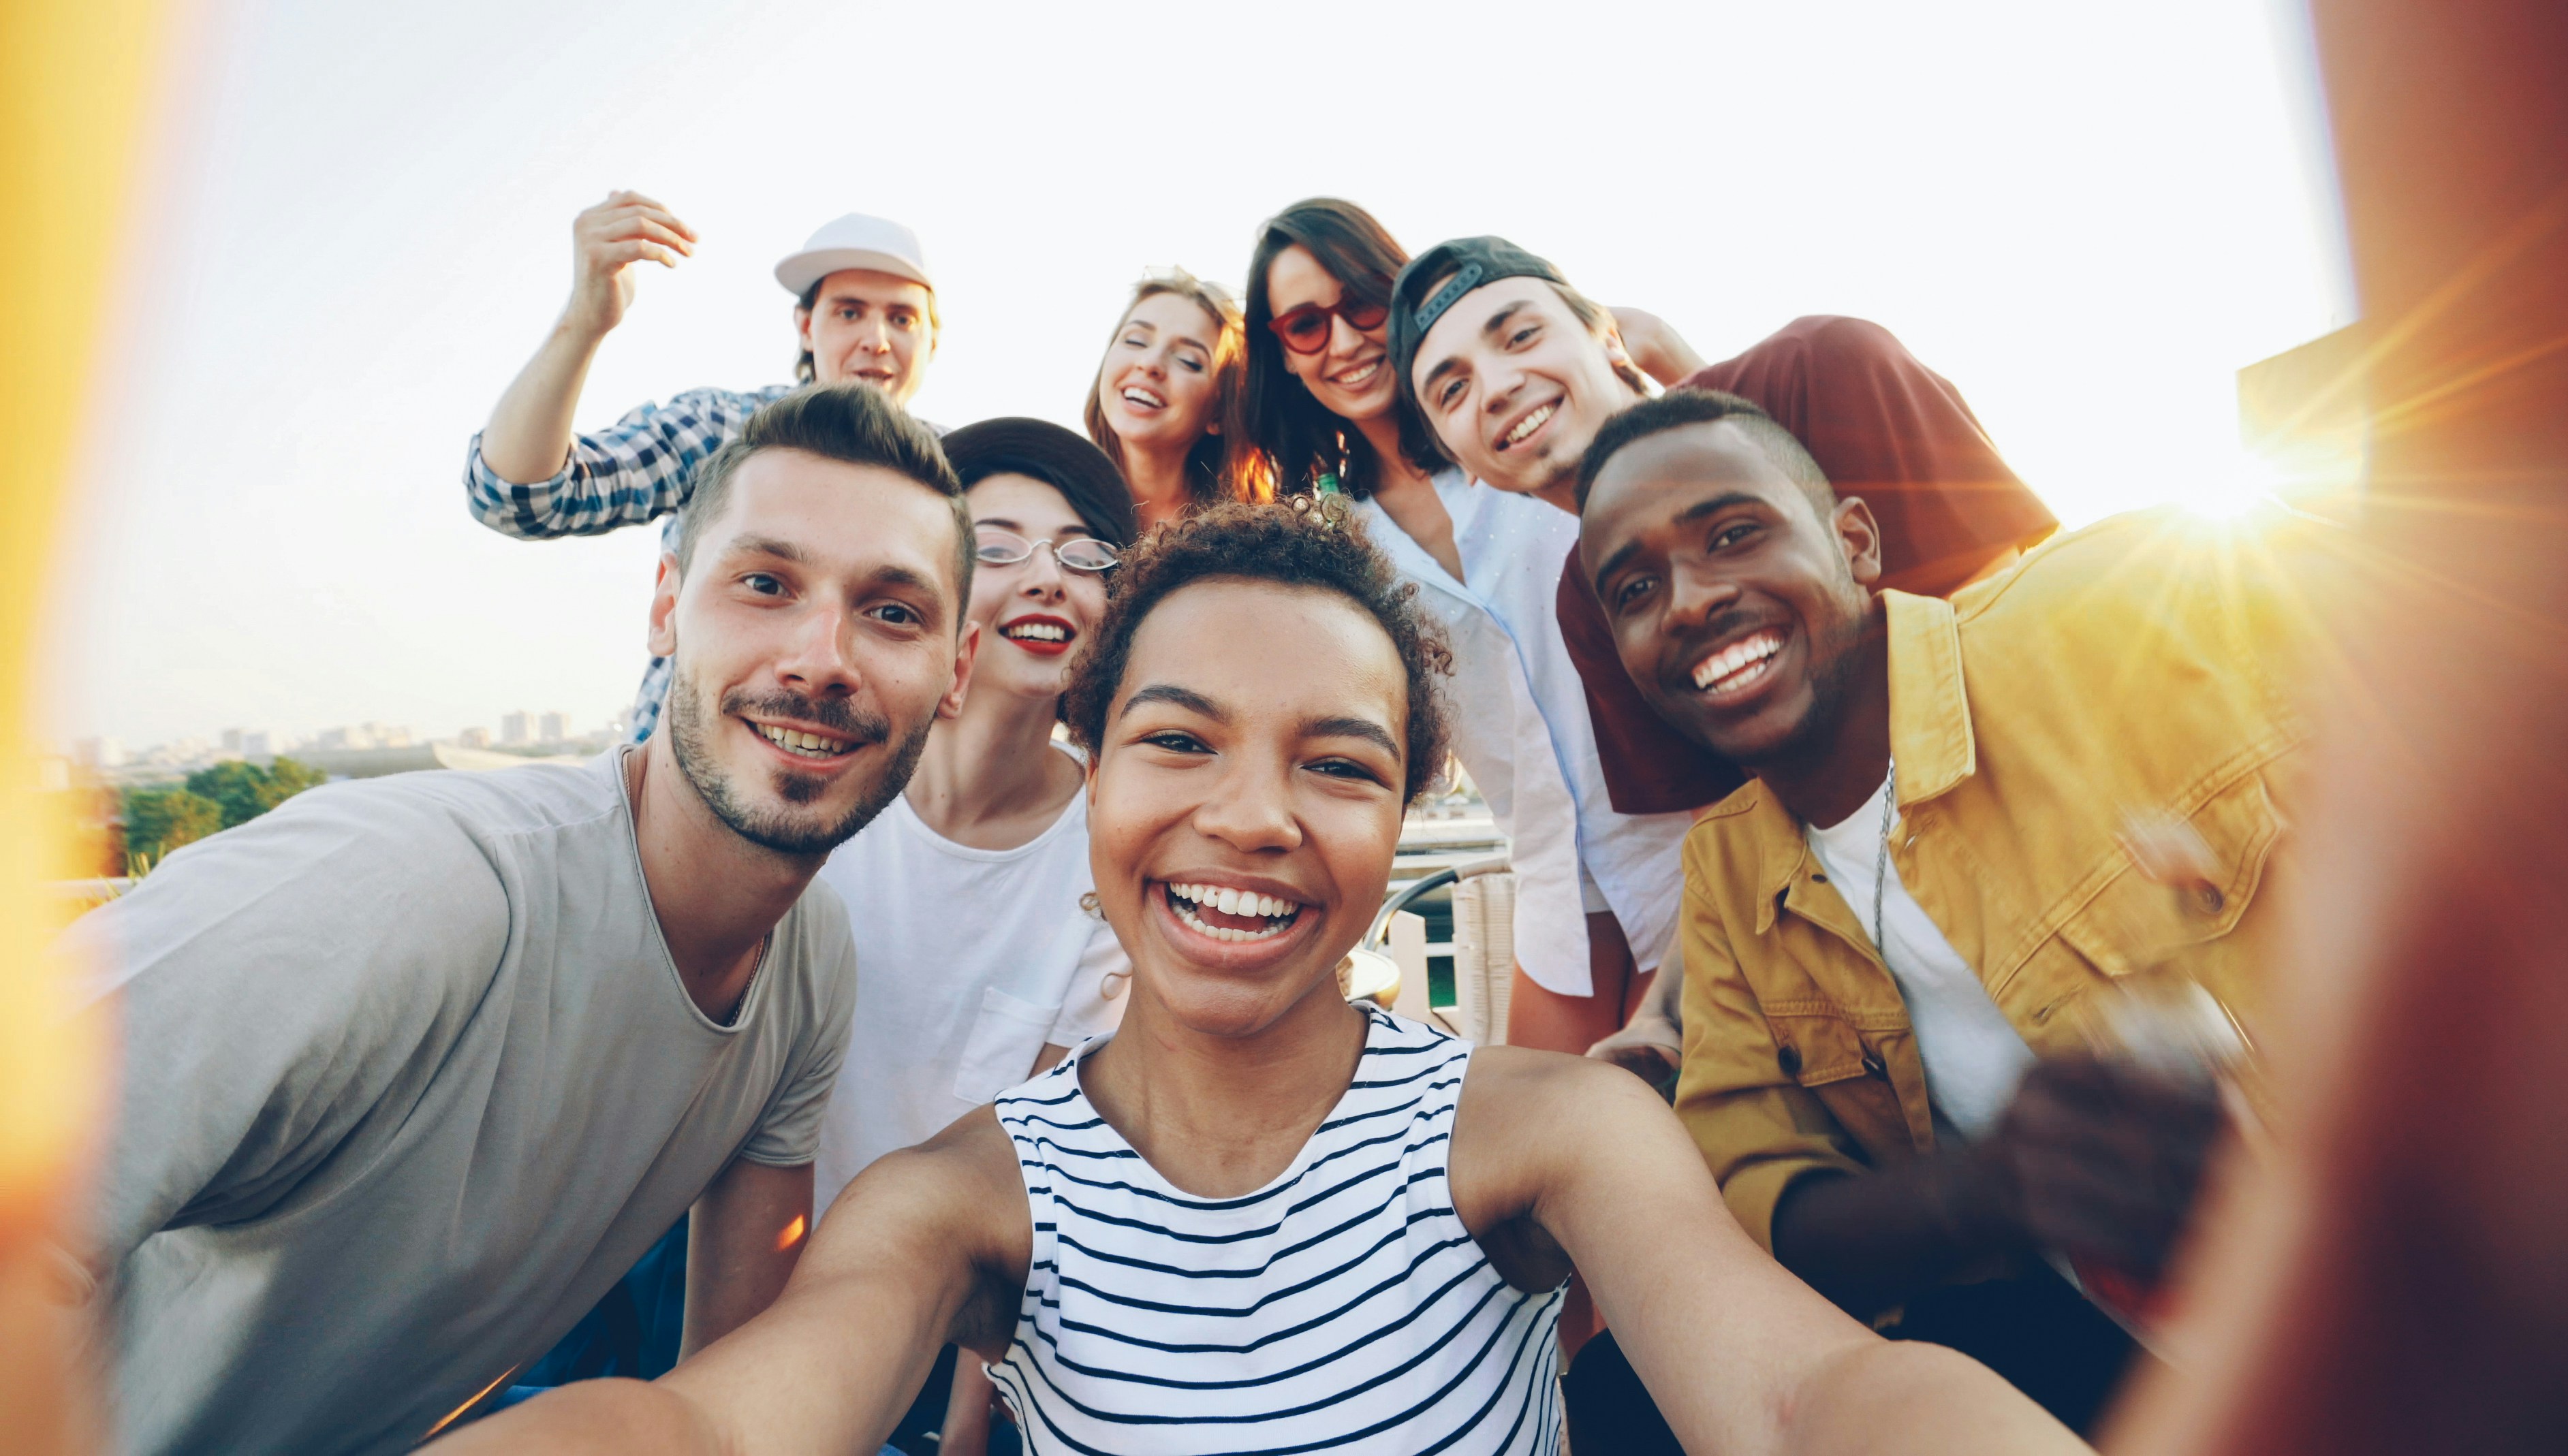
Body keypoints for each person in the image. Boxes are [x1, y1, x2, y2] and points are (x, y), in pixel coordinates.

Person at [429, 501, 2086, 1456]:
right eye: (1178, 740)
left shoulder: (1536, 1135)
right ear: (1089, 772)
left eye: (1337, 763)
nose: (1250, 816)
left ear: (1398, 818)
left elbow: (1806, 1395)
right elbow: (711, 1429)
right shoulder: (967, 1200)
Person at [59, 385, 973, 1456]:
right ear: (666, 607)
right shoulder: (414, 886)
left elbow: (733, 1377)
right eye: (765, 583)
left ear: (956, 672)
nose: (822, 657)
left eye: (893, 611)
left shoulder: (810, 971)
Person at [1573, 387, 2330, 1430]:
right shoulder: (1728, 869)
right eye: (1635, 589)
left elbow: (2474, 627)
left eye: (1734, 534)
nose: (1689, 601)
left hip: (2415, 1284)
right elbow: (1757, 1192)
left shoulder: (2127, 595)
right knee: (1618, 1399)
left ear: (1855, 542)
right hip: (2120, 1347)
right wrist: (1996, 1189)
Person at [1388, 235, 2059, 1075]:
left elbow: (2028, 631)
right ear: (1462, 463)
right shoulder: (1586, 600)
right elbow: (1731, 835)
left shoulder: (1821, 369)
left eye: (1520, 335)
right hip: (1884, 984)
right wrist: (1658, 1020)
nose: (1495, 387)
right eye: (1450, 389)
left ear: (1607, 336)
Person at [1241, 200, 1674, 1058]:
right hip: (1551, 876)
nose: (1343, 340)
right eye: (1305, 324)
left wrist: (1654, 341)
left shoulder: (1529, 432)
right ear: (1282, 354)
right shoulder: (1337, 538)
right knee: (1532, 1114)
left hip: (1689, 835)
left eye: (1362, 301)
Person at [809, 417, 1136, 1456]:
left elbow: (1036, 1163)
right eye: (998, 547)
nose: (1047, 577)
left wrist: (965, 1419)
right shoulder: (827, 787)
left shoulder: (1115, 844)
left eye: (1083, 554)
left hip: (975, 1336)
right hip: (769, 1292)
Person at [466, 198, 943, 741]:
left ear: (932, 340)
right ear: (807, 327)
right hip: (685, 778)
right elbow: (521, 498)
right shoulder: (722, 429)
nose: (876, 339)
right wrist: (584, 322)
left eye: (902, 319)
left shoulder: (963, 475)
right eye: (849, 312)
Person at [1081, 268, 1269, 527]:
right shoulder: (1055, 504)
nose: (1150, 363)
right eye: (1136, 341)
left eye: (1188, 360)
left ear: (1220, 413)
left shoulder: (1253, 535)